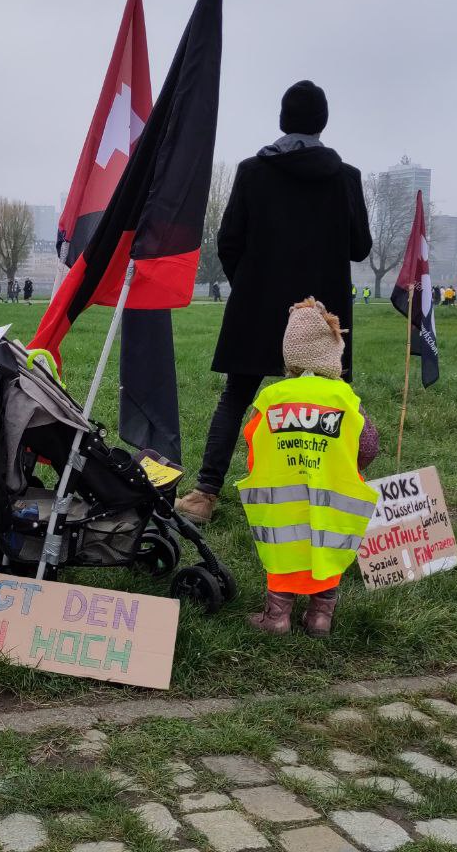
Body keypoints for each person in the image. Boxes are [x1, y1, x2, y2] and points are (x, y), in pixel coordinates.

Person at [174, 79, 372, 525]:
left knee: (235, 397)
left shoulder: (252, 172)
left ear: (282, 120)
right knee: (330, 404)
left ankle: (205, 494)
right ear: (323, 123)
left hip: (257, 309)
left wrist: (250, 285)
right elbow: (360, 247)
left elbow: (228, 242)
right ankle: (334, 494)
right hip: (323, 315)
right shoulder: (346, 179)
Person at [237, 298, 379, 637]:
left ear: (291, 355)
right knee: (327, 552)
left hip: (279, 502)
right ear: (334, 354)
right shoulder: (344, 399)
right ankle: (320, 617)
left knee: (282, 553)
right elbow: (368, 444)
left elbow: (251, 439)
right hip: (332, 500)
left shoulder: (274, 397)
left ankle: (277, 617)